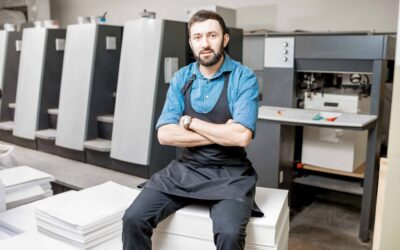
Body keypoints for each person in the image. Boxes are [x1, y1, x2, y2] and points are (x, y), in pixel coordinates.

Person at [122, 10, 261, 250]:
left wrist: (190, 122)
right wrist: (221, 133)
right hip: (185, 170)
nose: (205, 44)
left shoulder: (243, 77)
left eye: (212, 35)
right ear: (191, 42)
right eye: (197, 37)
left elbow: (241, 136)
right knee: (133, 219)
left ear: (225, 39)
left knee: (229, 233)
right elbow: (165, 135)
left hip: (230, 174)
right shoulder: (181, 78)